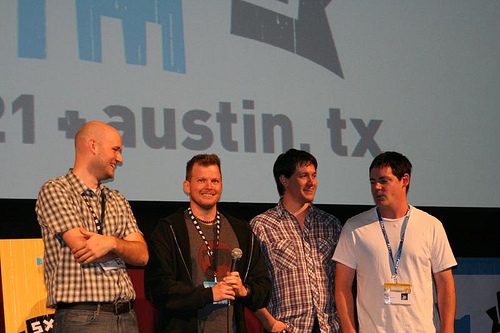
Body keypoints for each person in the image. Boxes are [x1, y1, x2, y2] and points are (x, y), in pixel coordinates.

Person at [36, 121, 149, 333]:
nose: (120, 158)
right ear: (93, 146)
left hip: (126, 318)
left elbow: (142, 255)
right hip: (82, 318)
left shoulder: (117, 199)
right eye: (115, 150)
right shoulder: (56, 190)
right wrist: (124, 249)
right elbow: (84, 249)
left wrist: (111, 243)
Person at [145, 154, 271, 332]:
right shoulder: (169, 230)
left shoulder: (242, 231)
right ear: (187, 186)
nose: (209, 187)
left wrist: (244, 290)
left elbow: (263, 288)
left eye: (215, 181)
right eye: (201, 180)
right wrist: (209, 294)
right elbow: (158, 289)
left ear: (221, 186)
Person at [333, 151, 457, 333]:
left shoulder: (430, 225)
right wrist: (349, 330)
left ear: (404, 180)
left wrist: (448, 330)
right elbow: (342, 286)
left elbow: (445, 284)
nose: (377, 187)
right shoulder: (354, 227)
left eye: (384, 180)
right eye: (372, 181)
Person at [250, 149, 342, 333]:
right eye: (303, 176)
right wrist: (269, 322)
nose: (311, 182)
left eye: (314, 176)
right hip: (288, 328)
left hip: (330, 327)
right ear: (284, 180)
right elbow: (250, 284)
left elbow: (342, 281)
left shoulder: (330, 224)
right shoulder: (262, 225)